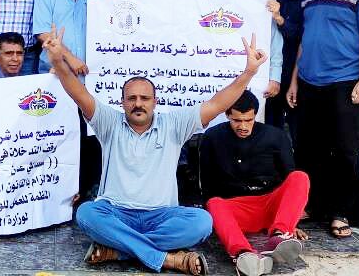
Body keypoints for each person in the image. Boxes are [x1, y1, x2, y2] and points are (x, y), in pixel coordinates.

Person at [40, 14, 269, 275]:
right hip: (116, 212)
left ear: (155, 101)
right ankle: (167, 259)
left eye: (144, 98)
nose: (138, 103)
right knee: (87, 214)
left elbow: (217, 103)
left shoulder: (174, 125)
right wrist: (57, 61)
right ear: (122, 102)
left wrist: (249, 72)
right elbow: (78, 92)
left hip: (161, 216)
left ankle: (120, 249)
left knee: (202, 222)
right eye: (132, 98)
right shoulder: (109, 122)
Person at [286, 0, 359, 238]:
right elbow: (305, 40)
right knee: (308, 148)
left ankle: (340, 212)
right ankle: (310, 205)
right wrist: (294, 81)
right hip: (309, 82)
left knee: (343, 150)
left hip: (344, 82)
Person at [201, 91, 309, 276]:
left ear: (256, 115)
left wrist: (290, 220)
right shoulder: (212, 137)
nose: (243, 126)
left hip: (271, 207)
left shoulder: (275, 136)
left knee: (300, 177)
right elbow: (207, 184)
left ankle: (280, 236)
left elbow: (289, 180)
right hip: (237, 209)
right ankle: (243, 254)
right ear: (227, 115)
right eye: (237, 120)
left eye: (248, 120)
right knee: (213, 203)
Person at [198, 0, 284, 99]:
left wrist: (274, 77)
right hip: (216, 74)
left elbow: (274, 39)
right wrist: (204, 0)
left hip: (254, 75)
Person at [265, 0, 312, 130]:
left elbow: (302, 36)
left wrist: (279, 19)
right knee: (270, 125)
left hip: (297, 72)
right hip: (271, 71)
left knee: (297, 127)